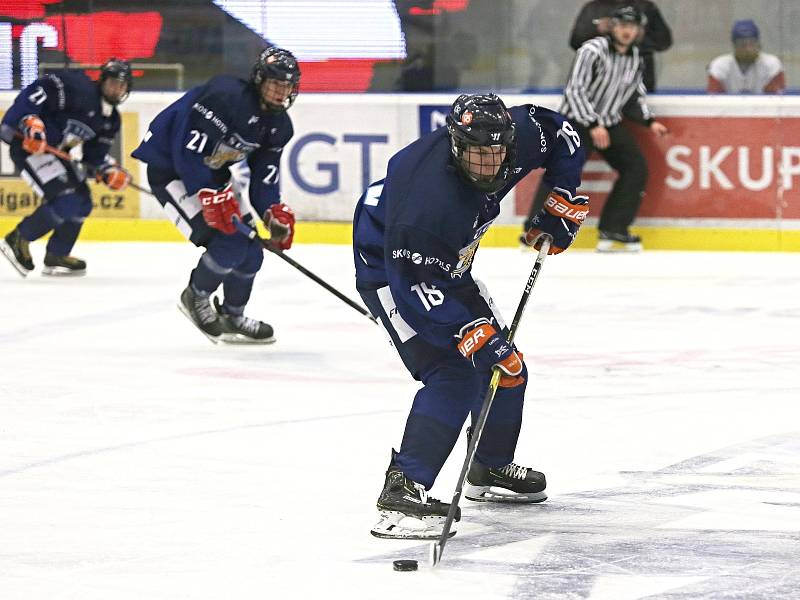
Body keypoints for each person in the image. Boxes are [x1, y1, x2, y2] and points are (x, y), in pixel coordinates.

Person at [353, 93, 589, 539]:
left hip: (446, 263)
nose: (488, 165)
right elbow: (415, 287)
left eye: (496, 154)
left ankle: (489, 465)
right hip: (391, 269)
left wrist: (562, 194)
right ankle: (403, 493)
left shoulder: (513, 138)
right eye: (477, 155)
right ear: (456, 145)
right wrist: (468, 331)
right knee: (454, 372)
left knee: (506, 366)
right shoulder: (429, 203)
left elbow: (565, 133)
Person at [130, 46, 300, 344]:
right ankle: (195, 296)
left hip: (212, 175)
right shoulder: (226, 96)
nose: (280, 92)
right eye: (275, 83)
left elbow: (263, 179)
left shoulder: (279, 126)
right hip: (173, 171)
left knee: (251, 253)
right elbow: (188, 150)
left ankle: (233, 315)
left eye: (286, 86)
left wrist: (272, 211)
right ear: (259, 79)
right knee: (230, 241)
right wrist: (207, 192)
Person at [523, 5, 668, 253]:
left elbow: (633, 95)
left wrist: (649, 121)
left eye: (631, 27)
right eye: (622, 25)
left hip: (609, 122)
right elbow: (575, 90)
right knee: (563, 171)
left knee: (636, 168)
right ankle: (536, 229)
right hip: (576, 121)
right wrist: (592, 124)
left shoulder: (635, 57)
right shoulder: (591, 50)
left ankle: (614, 229)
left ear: (638, 31)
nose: (626, 31)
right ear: (613, 26)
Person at [0, 59, 133, 277]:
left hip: (53, 152)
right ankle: (18, 237)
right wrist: (30, 120)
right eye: (112, 82)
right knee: (67, 200)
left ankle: (56, 254)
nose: (116, 89)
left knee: (82, 203)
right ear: (102, 81)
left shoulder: (111, 121)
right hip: (30, 148)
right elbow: (41, 88)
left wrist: (107, 171)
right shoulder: (78, 88)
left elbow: (94, 157)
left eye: (122, 85)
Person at [569, 0, 672, 92]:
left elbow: (664, 42)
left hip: (639, 81)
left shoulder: (646, 7)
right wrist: (596, 30)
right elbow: (575, 42)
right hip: (596, 85)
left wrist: (641, 37)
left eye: (631, 26)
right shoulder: (593, 8)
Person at [707, 20, 785, 94]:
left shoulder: (772, 64)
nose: (748, 49)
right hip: (727, 108)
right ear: (734, 46)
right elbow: (714, 101)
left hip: (763, 108)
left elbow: (775, 102)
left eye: (752, 43)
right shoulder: (720, 65)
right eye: (742, 44)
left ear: (759, 44)